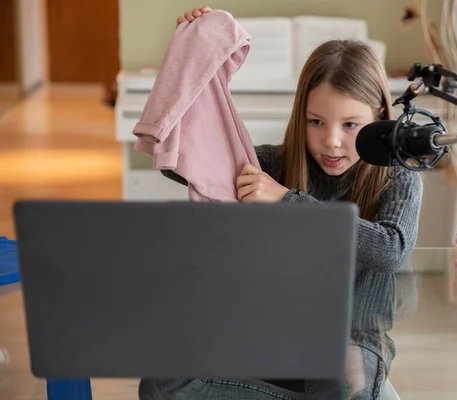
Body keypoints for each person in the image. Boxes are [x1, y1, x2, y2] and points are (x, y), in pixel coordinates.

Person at [140, 6, 423, 400]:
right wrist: (190, 57)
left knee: (344, 380)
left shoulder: (399, 176)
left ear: (378, 116)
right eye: (316, 122)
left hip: (351, 342)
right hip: (267, 336)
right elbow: (180, 166)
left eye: (350, 125)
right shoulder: (271, 163)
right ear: (300, 116)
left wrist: (286, 200)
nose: (332, 142)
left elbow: (390, 250)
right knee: (161, 382)